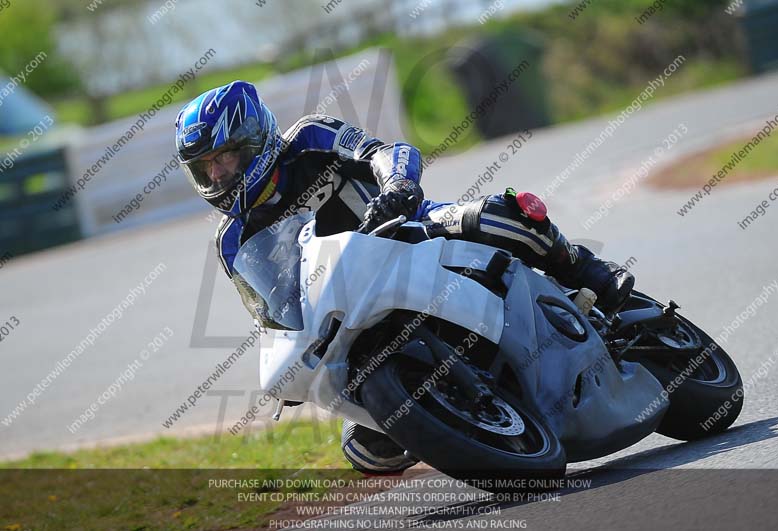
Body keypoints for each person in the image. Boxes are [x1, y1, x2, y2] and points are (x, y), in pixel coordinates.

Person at [176, 80, 634, 475]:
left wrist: (397, 184)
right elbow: (271, 310)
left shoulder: (308, 138)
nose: (216, 174)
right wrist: (293, 363)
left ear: (254, 138)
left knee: (500, 215)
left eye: (224, 158)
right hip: (348, 305)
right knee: (365, 449)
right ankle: (459, 419)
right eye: (205, 167)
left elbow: (384, 152)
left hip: (407, 233)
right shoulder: (232, 240)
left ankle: (585, 269)